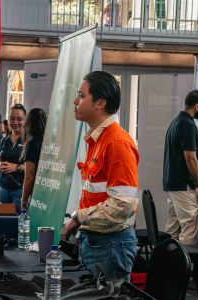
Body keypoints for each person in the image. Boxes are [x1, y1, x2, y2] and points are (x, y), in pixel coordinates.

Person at [60, 71, 139, 287]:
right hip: (96, 242)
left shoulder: (116, 143)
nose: (75, 101)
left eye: (81, 95)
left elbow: (123, 205)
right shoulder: (98, 139)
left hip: (110, 245)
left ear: (100, 102)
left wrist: (80, 217)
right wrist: (80, 218)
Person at [163, 90, 198, 247]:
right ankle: (184, 271)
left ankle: (168, 268)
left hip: (172, 185)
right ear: (197, 106)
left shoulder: (175, 122)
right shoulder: (188, 125)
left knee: (172, 230)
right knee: (189, 228)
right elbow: (190, 158)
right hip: (183, 186)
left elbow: (179, 160)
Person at [0, 104, 26, 215]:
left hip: (20, 190)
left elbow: (36, 168)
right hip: (3, 188)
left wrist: (16, 167)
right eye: (12, 119)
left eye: (19, 119)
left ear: (25, 120)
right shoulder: (4, 140)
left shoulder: (29, 141)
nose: (15, 122)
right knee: (3, 221)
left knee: (18, 223)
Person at [20, 108, 47, 210]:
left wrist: (24, 201)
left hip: (37, 196)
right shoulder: (49, 142)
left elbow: (29, 178)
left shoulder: (32, 144)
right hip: (49, 193)